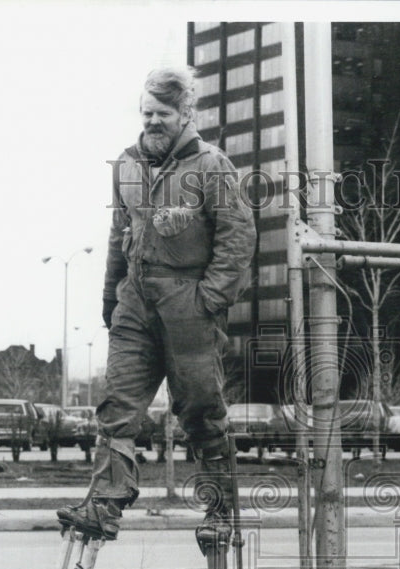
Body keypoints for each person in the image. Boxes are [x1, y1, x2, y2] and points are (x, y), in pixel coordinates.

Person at [58, 68, 257, 544]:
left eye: (161, 114)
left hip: (188, 305)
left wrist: (208, 299)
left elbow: (238, 237)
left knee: (201, 411)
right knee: (118, 406)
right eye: (145, 112)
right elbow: (116, 236)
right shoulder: (125, 166)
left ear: (185, 113)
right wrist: (111, 296)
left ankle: (222, 512)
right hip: (135, 304)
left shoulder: (212, 166)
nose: (151, 122)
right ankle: (105, 504)